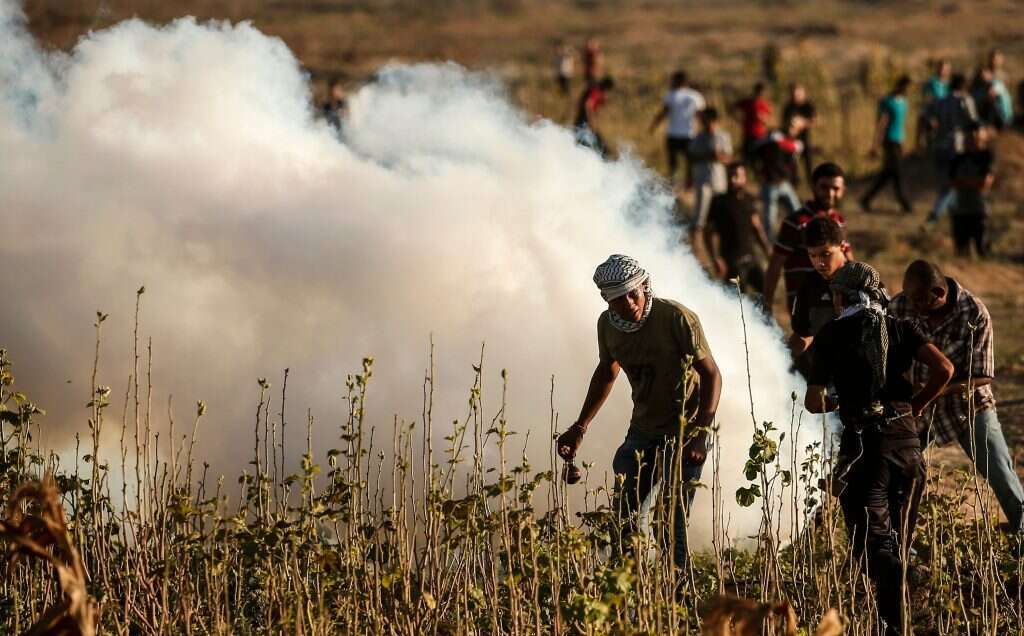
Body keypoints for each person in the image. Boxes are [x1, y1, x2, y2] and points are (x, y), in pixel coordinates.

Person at [805, 261, 954, 636]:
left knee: (873, 549)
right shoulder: (901, 327)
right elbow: (945, 369)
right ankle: (897, 623)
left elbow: (811, 402)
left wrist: (840, 403)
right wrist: (914, 406)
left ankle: (903, 596)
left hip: (865, 450)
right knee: (896, 544)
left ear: (843, 296)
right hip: (908, 445)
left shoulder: (830, 335)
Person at [557, 255, 722, 569]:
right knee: (625, 517)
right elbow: (608, 371)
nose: (630, 302)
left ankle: (679, 594)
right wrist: (580, 426)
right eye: (619, 299)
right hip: (644, 430)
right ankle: (629, 590)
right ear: (607, 301)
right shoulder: (607, 326)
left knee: (670, 520)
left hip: (687, 431)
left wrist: (700, 435)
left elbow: (712, 375)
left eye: (634, 293)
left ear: (645, 287)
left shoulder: (676, 318)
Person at [890, 261, 1024, 536]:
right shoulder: (899, 306)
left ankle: (1022, 533)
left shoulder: (974, 313)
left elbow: (983, 376)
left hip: (967, 406)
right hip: (915, 407)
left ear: (938, 293)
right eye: (907, 297)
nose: (911, 305)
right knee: (898, 473)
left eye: (918, 300)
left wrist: (934, 389)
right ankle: (899, 543)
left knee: (1000, 474)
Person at [763, 162, 853, 320]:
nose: (830, 193)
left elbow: (849, 260)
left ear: (843, 190)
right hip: (805, 305)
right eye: (824, 187)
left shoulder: (840, 222)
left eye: (836, 189)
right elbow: (775, 264)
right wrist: (767, 303)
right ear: (813, 187)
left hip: (837, 304)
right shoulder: (796, 222)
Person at [787, 216, 850, 376]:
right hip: (820, 377)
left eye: (825, 254)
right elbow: (803, 335)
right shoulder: (809, 284)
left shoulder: (864, 282)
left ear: (842, 246)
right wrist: (778, 359)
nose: (819, 263)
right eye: (813, 256)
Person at [700, 163, 771, 294]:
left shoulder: (749, 200)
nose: (732, 180)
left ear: (744, 178)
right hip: (732, 263)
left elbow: (757, 228)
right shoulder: (719, 202)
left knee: (766, 293)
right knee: (738, 303)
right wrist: (715, 258)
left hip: (751, 259)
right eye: (730, 176)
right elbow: (708, 233)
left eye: (737, 176)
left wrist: (767, 250)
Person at [927, 74, 978, 225]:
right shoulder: (964, 100)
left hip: (939, 145)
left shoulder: (940, 101)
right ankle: (934, 216)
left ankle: (953, 217)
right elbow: (973, 121)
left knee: (948, 183)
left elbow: (927, 118)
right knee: (952, 185)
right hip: (955, 145)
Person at [860, 75, 913, 214]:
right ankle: (904, 202)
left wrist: (904, 142)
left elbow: (901, 124)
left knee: (888, 173)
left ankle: (866, 199)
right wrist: (875, 145)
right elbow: (881, 125)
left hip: (898, 141)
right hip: (889, 141)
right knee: (897, 172)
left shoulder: (904, 103)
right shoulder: (887, 101)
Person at [650, 71, 706, 187]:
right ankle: (689, 186)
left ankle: (673, 185)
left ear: (677, 80)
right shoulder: (695, 96)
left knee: (673, 163)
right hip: (690, 134)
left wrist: (654, 126)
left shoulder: (671, 95)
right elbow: (701, 115)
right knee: (690, 162)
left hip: (673, 133)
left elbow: (664, 113)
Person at [947, 122, 994, 257]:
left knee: (982, 252)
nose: (972, 137)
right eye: (969, 134)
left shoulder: (987, 156)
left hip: (979, 210)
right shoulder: (957, 158)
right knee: (961, 253)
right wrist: (973, 182)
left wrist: (964, 182)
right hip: (960, 211)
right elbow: (952, 182)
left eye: (976, 133)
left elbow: (985, 183)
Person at [754, 115, 805, 239]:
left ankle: (801, 240)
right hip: (770, 183)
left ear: (799, 129)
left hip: (784, 183)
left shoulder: (796, 144)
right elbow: (758, 147)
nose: (790, 126)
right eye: (789, 122)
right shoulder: (774, 136)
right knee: (769, 219)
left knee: (798, 214)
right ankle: (769, 245)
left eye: (794, 125)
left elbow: (791, 148)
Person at [688, 108, 732, 228]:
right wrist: (707, 156)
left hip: (719, 183)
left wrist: (719, 157)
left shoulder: (723, 136)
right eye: (704, 120)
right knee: (700, 217)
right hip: (702, 181)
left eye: (708, 120)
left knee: (719, 217)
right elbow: (691, 157)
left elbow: (729, 158)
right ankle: (697, 240)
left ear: (714, 120)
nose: (706, 123)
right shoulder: (698, 137)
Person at [782, 83, 817, 184]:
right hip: (791, 139)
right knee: (792, 162)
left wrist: (802, 123)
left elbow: (814, 121)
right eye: (793, 94)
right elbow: (784, 122)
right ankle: (794, 182)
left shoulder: (808, 106)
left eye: (797, 94)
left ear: (803, 93)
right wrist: (791, 128)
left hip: (805, 138)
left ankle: (811, 182)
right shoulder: (788, 107)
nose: (795, 96)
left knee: (808, 162)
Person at [574, 76, 615, 157]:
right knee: (587, 146)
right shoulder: (596, 91)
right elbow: (588, 105)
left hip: (583, 122)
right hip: (584, 123)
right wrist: (591, 121)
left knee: (590, 144)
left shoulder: (596, 90)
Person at [733, 82, 773, 165]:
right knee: (747, 160)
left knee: (760, 161)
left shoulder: (765, 104)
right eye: (759, 92)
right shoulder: (748, 102)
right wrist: (738, 119)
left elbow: (770, 120)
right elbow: (733, 107)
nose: (760, 94)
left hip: (761, 136)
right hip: (748, 135)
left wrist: (763, 119)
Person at [917, 59, 951, 152]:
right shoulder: (931, 83)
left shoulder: (950, 85)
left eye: (946, 69)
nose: (943, 71)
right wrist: (931, 117)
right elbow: (926, 102)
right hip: (933, 119)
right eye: (941, 68)